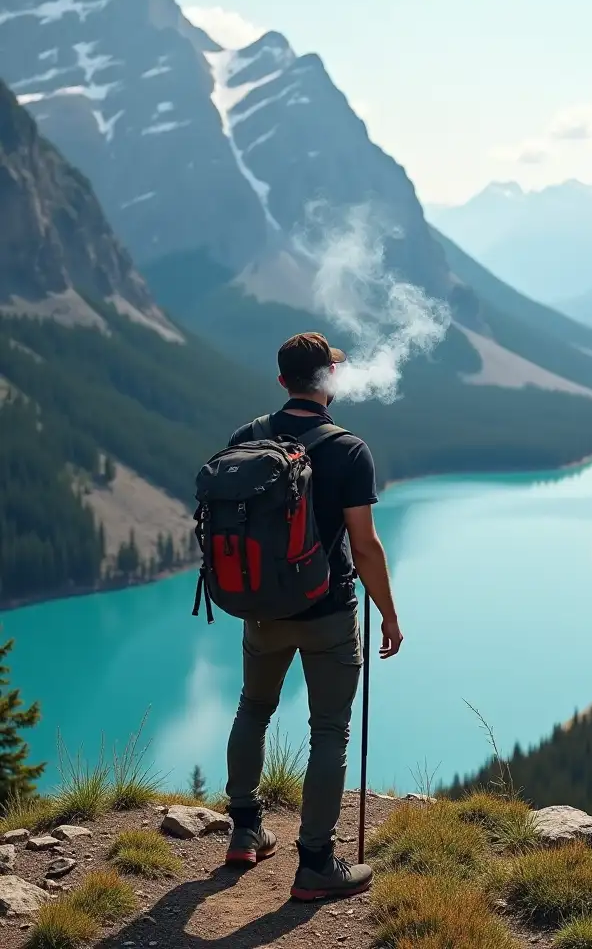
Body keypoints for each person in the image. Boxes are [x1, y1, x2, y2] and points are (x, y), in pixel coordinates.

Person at [221, 332, 403, 902]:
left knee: (253, 708)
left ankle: (245, 831)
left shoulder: (248, 436)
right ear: (330, 379)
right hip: (327, 612)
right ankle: (316, 863)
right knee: (329, 731)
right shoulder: (349, 449)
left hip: (261, 610)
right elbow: (365, 546)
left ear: (282, 382)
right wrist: (390, 616)